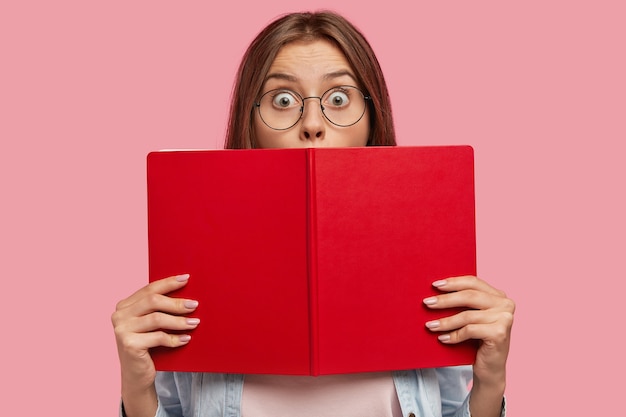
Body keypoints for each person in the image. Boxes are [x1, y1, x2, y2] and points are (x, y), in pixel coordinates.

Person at [112, 10, 515, 417]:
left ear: (372, 120)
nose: (312, 124)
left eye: (339, 98)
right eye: (282, 100)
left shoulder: (425, 265)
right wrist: (136, 388)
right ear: (249, 123)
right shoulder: (193, 265)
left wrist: (491, 382)